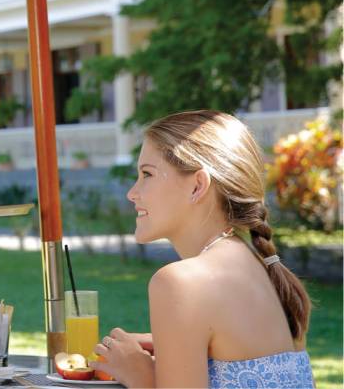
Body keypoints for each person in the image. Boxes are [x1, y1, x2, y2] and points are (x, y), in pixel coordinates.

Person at [90, 110, 314, 389]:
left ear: (198, 185)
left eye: (147, 174)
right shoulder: (262, 269)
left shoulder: (180, 282)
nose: (132, 193)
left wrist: (140, 375)